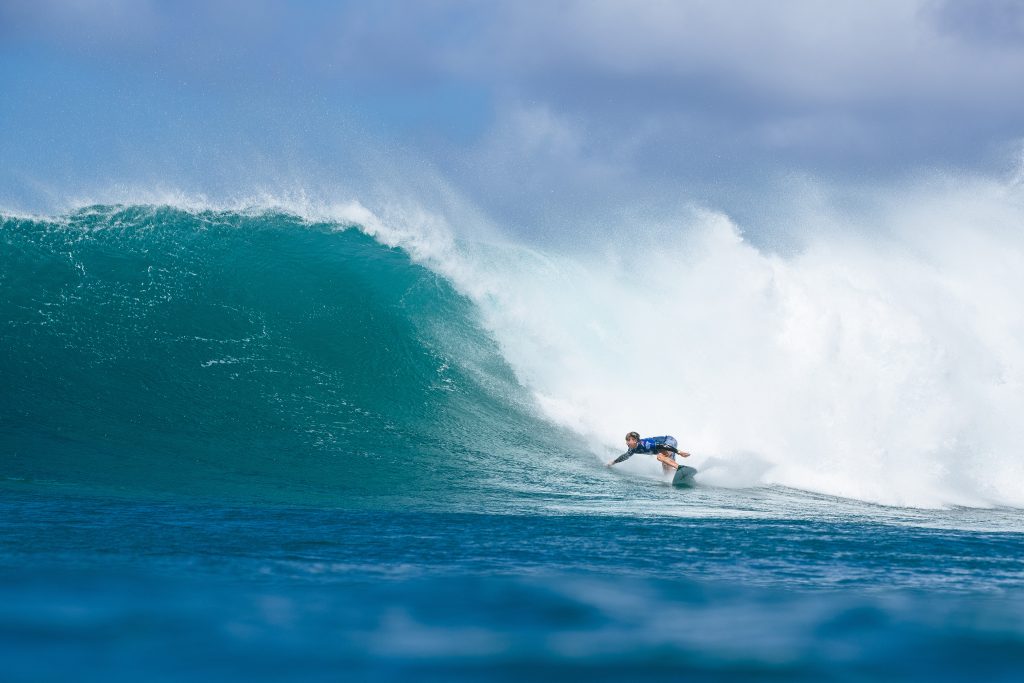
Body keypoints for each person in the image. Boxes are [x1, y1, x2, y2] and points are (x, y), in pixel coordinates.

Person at [607, 431, 690, 473]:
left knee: (660, 457)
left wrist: (679, 452)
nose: (627, 442)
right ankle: (682, 474)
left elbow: (661, 445)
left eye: (629, 440)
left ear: (635, 440)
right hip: (665, 447)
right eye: (627, 440)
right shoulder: (633, 449)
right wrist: (613, 462)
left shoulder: (646, 444)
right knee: (667, 472)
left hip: (668, 441)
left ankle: (681, 468)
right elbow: (625, 456)